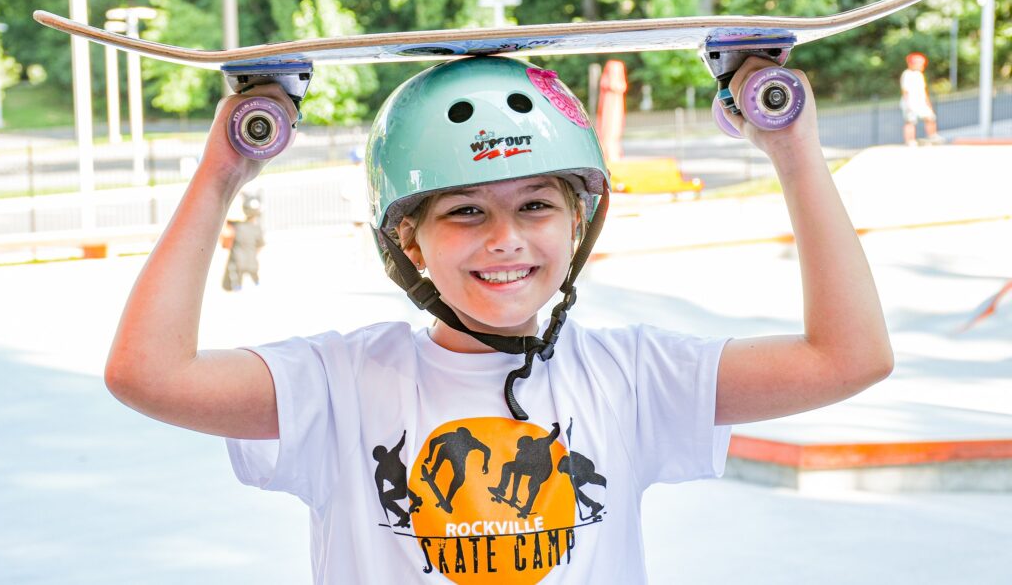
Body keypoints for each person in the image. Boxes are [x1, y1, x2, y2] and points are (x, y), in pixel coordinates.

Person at [104, 56, 892, 583]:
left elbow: (848, 356)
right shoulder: (340, 384)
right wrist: (223, 172)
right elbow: (147, 372)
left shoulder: (633, 377)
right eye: (466, 210)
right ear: (406, 237)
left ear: (578, 223)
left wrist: (793, 149)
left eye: (537, 205)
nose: (505, 238)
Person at [220, 192, 265, 291]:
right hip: (252, 262)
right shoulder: (256, 229)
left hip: (238, 263)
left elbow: (225, 228)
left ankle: (238, 288)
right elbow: (260, 245)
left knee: (237, 282)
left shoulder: (236, 226)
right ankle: (257, 285)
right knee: (256, 280)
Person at [901, 52, 943, 146]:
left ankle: (932, 136)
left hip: (921, 102)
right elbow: (905, 91)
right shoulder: (907, 74)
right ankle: (910, 140)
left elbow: (924, 91)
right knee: (910, 121)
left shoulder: (919, 75)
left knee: (930, 117)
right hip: (911, 102)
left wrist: (928, 103)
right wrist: (908, 104)